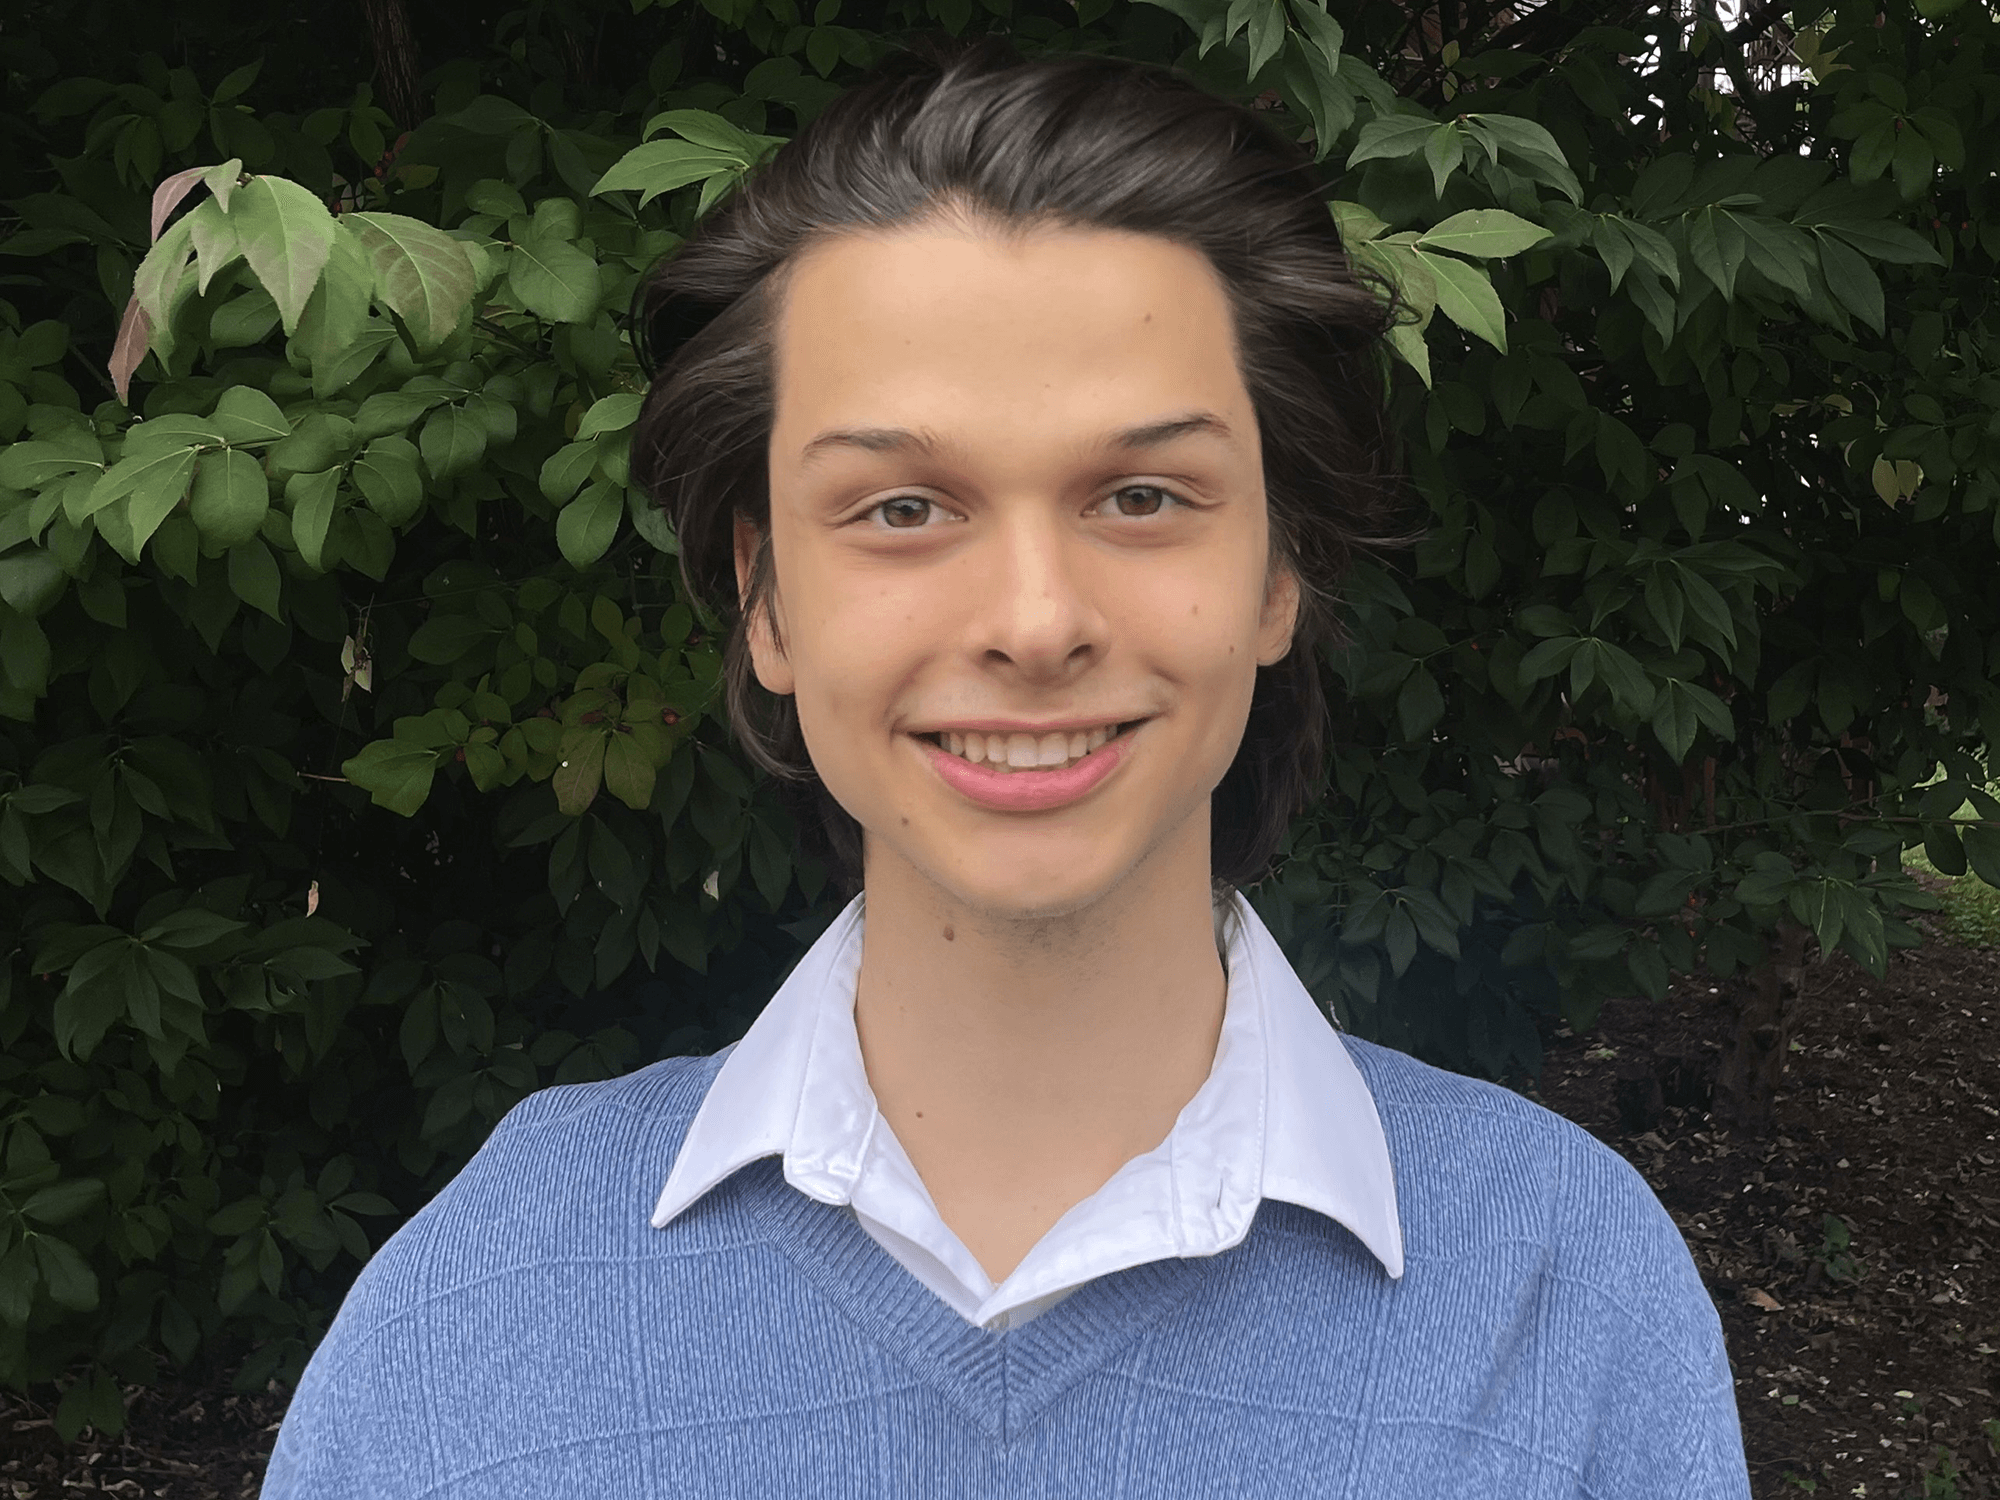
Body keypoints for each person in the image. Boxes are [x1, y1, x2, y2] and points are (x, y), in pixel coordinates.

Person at [263, 38, 1752, 1498]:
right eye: (903, 508)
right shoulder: (477, 1304)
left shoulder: (1566, 1295)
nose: (1035, 623)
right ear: (767, 596)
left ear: (1280, 571)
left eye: (1145, 494)